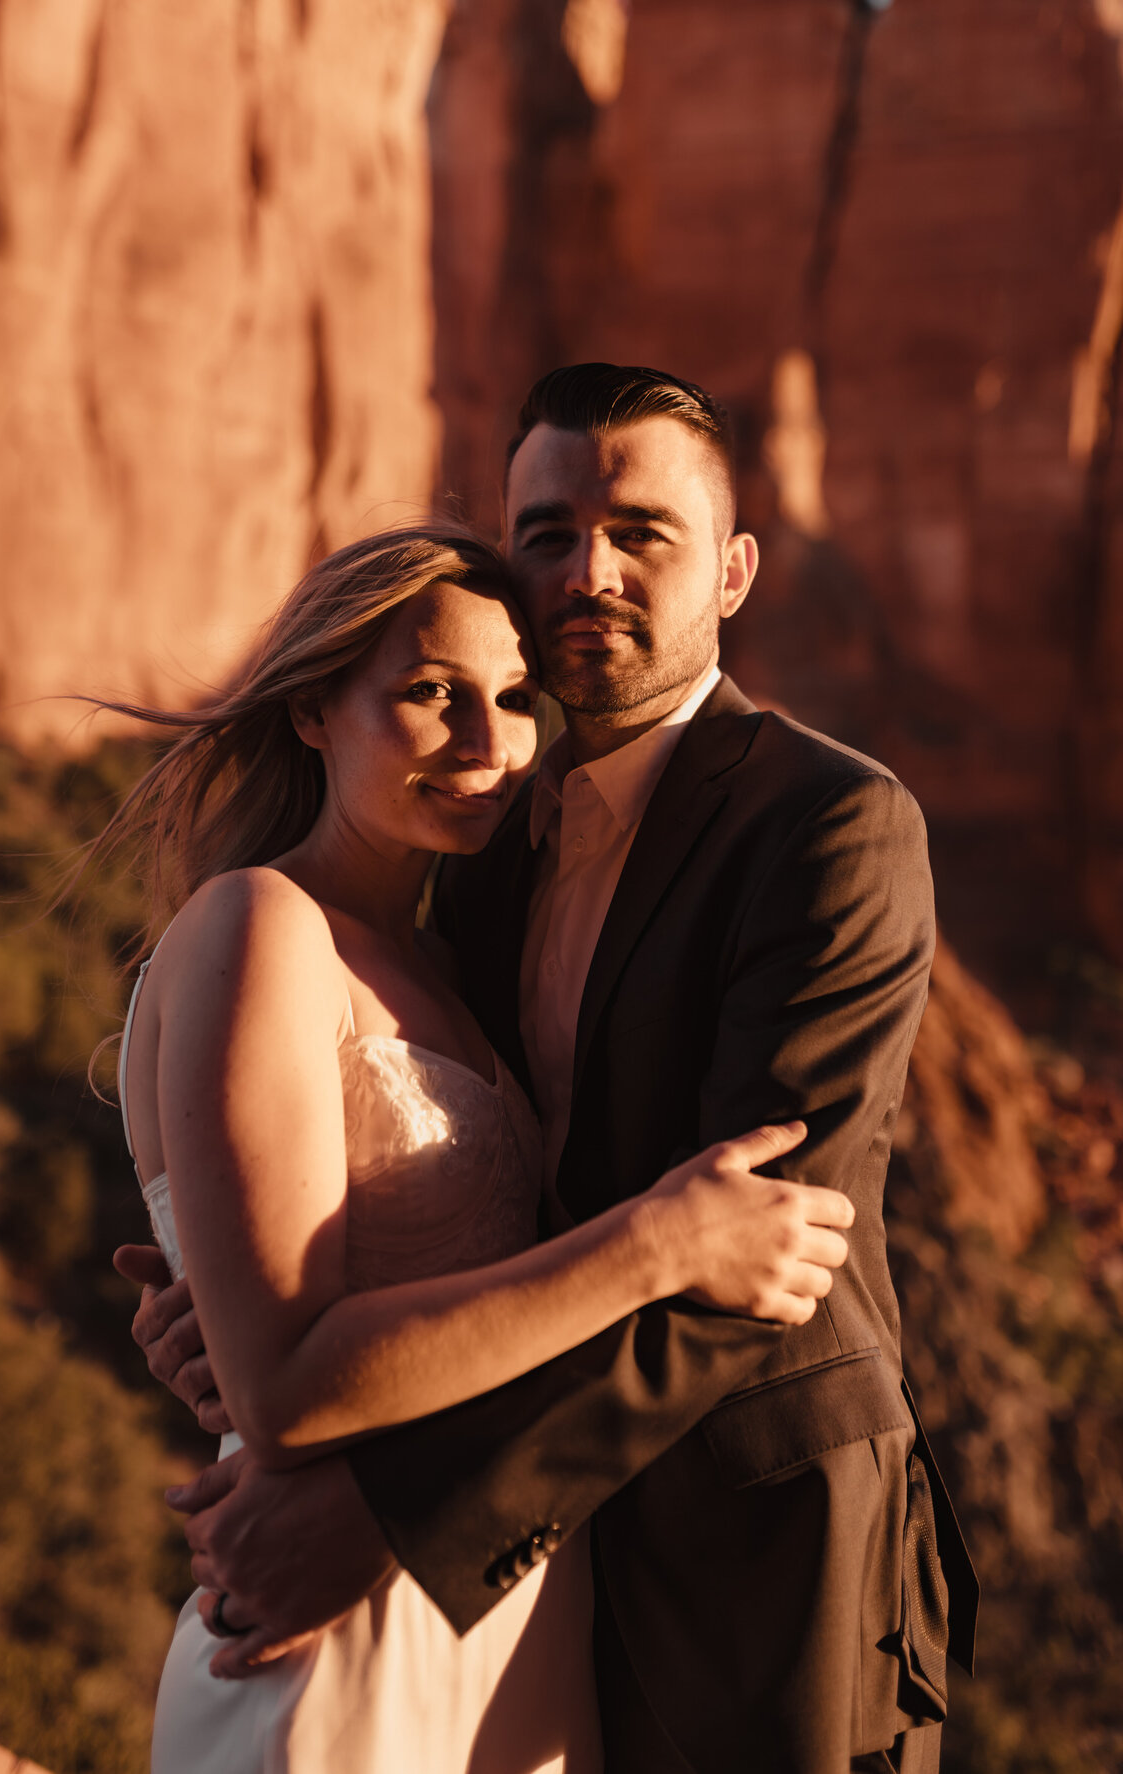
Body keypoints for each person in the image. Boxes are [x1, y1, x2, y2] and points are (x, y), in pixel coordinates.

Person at [122, 365, 979, 1773]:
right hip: (511, 1597)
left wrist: (403, 1509)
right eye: (548, 531)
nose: (591, 571)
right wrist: (217, 1297)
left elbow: (759, 1263)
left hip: (751, 1569)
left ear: (737, 569)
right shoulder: (477, 852)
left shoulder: (829, 822)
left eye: (644, 530)